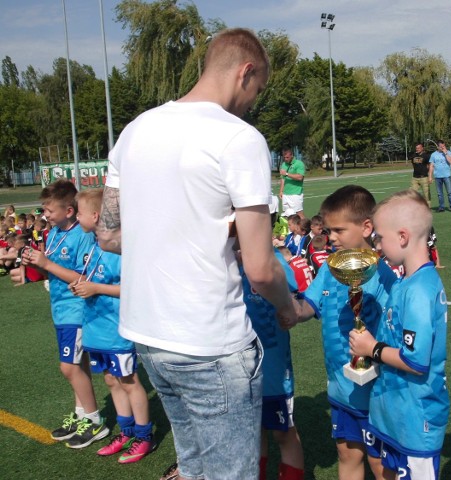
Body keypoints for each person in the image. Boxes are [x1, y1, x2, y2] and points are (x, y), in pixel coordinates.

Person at [97, 28, 297, 480]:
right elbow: (262, 269)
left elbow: (108, 236)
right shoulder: (239, 138)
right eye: (257, 89)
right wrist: (287, 308)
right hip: (209, 342)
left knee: (194, 468)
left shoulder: (135, 129)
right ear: (245, 72)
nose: (252, 102)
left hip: (146, 333)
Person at [296, 185, 397, 480]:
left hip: (375, 392)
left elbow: (396, 331)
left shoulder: (384, 274)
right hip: (340, 387)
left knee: (381, 466)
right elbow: (309, 306)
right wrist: (290, 311)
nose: (332, 237)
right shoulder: (330, 267)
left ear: (367, 227)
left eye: (339, 230)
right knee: (347, 454)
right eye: (329, 230)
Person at [349, 190, 449, 480]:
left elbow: (416, 361)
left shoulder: (419, 290)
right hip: (395, 411)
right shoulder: (407, 281)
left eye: (380, 237)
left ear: (403, 237)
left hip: (416, 419)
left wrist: (372, 348)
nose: (377, 245)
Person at [20, 179, 107, 447]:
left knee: (68, 367)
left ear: (69, 211)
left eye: (49, 210)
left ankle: (94, 422)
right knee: (76, 365)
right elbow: (52, 266)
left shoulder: (82, 234)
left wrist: (46, 263)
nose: (44, 215)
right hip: (60, 308)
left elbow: (83, 276)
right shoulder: (54, 232)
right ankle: (81, 415)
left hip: (76, 310)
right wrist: (35, 263)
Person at [71, 188, 154, 462]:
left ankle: (144, 436)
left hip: (117, 330)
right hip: (97, 330)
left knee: (129, 382)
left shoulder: (118, 248)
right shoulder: (94, 246)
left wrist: (95, 288)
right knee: (111, 381)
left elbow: (132, 288)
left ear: (95, 216)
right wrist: (83, 286)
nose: (77, 217)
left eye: (79, 213)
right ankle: (126, 431)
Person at [238, 248, 305, 480]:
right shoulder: (222, 258)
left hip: (272, 368)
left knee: (283, 433)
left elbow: (294, 299)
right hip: (238, 365)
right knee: (253, 433)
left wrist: (292, 306)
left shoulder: (270, 257)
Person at [430, 140, 451, 212]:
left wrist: (445, 153)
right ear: (437, 147)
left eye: (444, 146)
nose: (442, 147)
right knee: (439, 194)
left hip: (446, 175)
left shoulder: (448, 152)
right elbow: (431, 166)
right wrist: (430, 176)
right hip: (437, 176)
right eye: (441, 146)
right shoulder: (433, 155)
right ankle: (441, 207)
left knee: (450, 192)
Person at [279, 148, 305, 217]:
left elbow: (300, 177)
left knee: (299, 214)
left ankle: (305, 228)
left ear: (292, 156)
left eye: (287, 157)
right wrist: (281, 191)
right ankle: (290, 228)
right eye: (284, 157)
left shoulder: (299, 163)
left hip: (296, 193)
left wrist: (287, 174)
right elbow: (282, 179)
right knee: (287, 213)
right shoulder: (284, 164)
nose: (286, 159)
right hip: (286, 194)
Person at [410, 143, 432, 207]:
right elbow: (413, 164)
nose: (417, 149)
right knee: (412, 193)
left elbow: (429, 165)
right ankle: (414, 206)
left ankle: (428, 207)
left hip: (424, 177)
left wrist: (429, 174)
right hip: (415, 177)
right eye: (416, 148)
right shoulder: (413, 155)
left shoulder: (426, 155)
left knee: (426, 194)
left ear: (422, 148)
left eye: (419, 148)